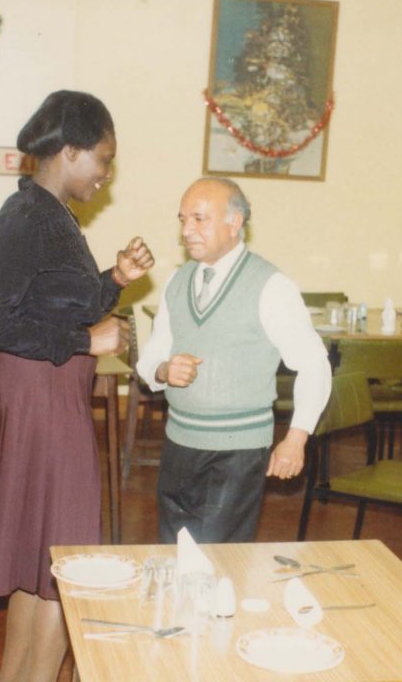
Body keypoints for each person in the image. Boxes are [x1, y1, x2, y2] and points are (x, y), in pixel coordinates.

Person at [0, 90, 154, 682]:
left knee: (47, 563)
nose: (107, 175)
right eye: (103, 160)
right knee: (71, 559)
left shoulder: (53, 213)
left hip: (46, 396)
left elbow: (59, 301)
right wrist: (88, 342)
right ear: (68, 152)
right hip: (38, 399)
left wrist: (115, 278)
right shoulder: (25, 219)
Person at [136, 177, 331, 544]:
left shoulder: (270, 285)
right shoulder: (177, 282)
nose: (186, 231)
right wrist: (164, 370)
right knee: (173, 552)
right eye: (182, 220)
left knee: (215, 561)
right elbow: (150, 357)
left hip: (236, 452)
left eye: (199, 219)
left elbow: (314, 363)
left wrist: (296, 438)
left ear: (234, 223)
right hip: (179, 445)